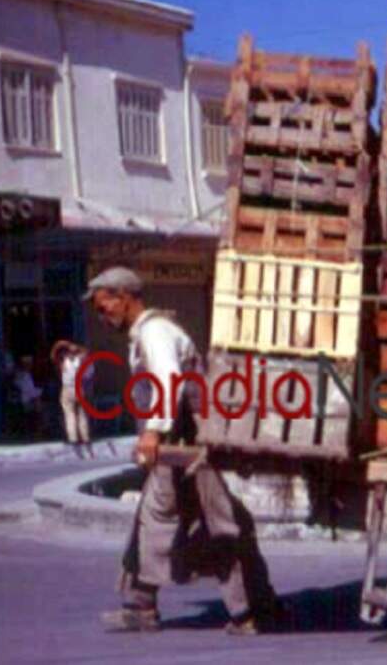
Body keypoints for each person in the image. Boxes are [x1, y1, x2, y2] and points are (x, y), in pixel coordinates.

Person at [84, 266, 282, 634]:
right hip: (180, 449)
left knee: (203, 523)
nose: (101, 315)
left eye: (103, 306)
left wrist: (154, 430)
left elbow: (168, 379)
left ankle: (248, 611)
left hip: (184, 448)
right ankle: (247, 606)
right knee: (193, 519)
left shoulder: (155, 332)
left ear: (122, 297)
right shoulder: (147, 333)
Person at [51, 340, 95, 459]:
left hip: (68, 388)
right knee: (82, 416)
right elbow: (89, 376)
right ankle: (86, 440)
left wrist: (64, 344)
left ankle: (74, 440)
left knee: (69, 415)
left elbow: (54, 354)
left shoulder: (64, 362)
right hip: (80, 388)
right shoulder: (84, 362)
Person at [12, 356, 44, 439]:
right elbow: (29, 391)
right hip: (26, 400)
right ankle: (37, 431)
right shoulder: (25, 376)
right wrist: (41, 391)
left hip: (24, 399)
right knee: (39, 405)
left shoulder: (21, 375)